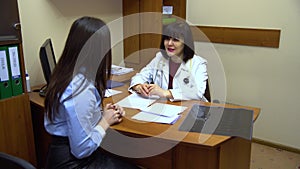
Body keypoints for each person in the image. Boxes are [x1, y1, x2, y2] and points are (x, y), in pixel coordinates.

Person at [44, 16, 139, 169]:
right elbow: (81, 150)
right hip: (73, 163)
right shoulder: (80, 89)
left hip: (59, 155)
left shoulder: (65, 75)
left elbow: (77, 119)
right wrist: (105, 121)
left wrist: (101, 114)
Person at [129, 20, 208, 101]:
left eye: (175, 40)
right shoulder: (159, 58)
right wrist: (139, 87)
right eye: (167, 39)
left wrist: (165, 93)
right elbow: (140, 76)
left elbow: (197, 92)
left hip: (190, 110)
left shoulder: (198, 63)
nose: (169, 43)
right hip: (163, 107)